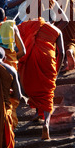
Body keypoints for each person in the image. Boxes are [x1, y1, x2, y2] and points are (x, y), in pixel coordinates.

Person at [17, 12, 65, 140]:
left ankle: (38, 113)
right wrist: (57, 70)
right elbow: (62, 52)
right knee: (47, 91)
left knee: (32, 84)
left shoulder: (31, 24)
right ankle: (46, 123)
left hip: (30, 55)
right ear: (53, 21)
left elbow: (16, 29)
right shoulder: (56, 30)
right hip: (47, 59)